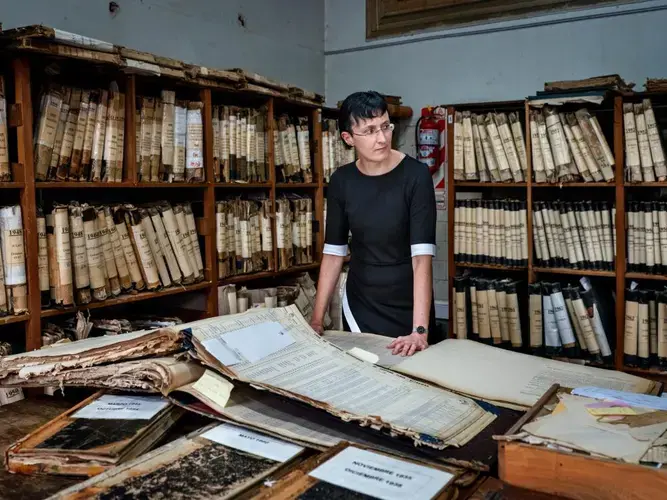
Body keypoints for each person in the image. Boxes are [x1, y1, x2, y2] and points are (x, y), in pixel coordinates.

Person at [310, 90, 437, 357]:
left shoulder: (417, 176)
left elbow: (421, 258)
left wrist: (420, 330)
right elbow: (334, 254)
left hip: (409, 303)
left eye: (385, 127)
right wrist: (317, 320)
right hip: (361, 302)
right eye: (369, 131)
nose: (381, 138)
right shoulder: (342, 181)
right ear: (348, 138)